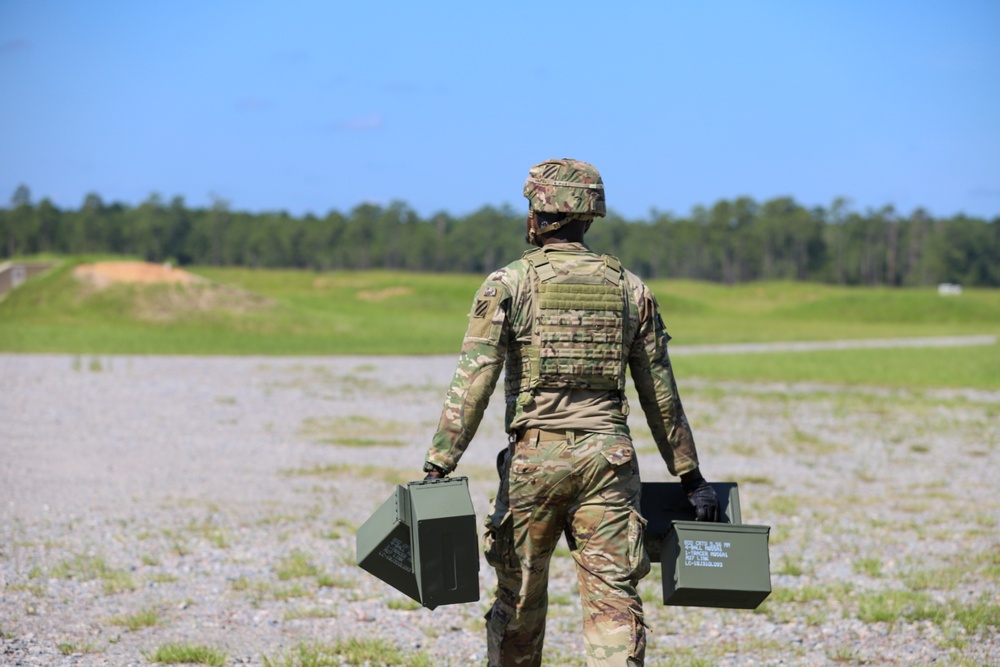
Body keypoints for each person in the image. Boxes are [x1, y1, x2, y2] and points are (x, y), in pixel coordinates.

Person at [422, 158, 720, 667]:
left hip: (533, 463)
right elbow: (660, 392)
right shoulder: (631, 289)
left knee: (519, 602)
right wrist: (690, 476)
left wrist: (439, 464)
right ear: (589, 215)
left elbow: (472, 382)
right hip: (608, 464)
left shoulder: (508, 283)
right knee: (614, 605)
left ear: (538, 214)